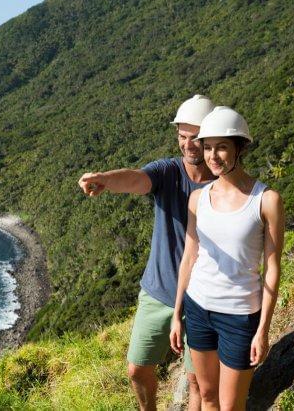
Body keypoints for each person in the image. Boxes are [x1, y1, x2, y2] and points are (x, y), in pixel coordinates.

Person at [78, 95, 216, 411]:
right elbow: (136, 179)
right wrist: (104, 180)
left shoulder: (224, 182)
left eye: (195, 137)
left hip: (203, 298)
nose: (188, 144)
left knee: (197, 381)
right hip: (157, 293)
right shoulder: (168, 172)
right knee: (137, 368)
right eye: (182, 137)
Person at [169, 106, 284, 410]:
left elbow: (272, 269)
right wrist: (176, 314)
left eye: (221, 147)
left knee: (230, 406)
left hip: (239, 315)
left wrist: (262, 330)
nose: (213, 156)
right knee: (207, 397)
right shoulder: (198, 199)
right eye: (208, 147)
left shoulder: (266, 201)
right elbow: (190, 257)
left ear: (240, 148)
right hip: (197, 308)